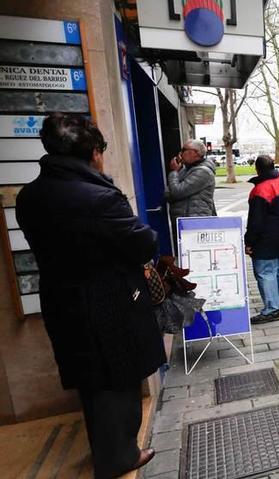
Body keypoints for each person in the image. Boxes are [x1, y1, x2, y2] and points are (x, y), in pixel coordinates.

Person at [16, 113, 164, 478]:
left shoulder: (30, 195)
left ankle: (110, 451)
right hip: (107, 302)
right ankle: (120, 458)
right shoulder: (97, 197)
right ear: (93, 152)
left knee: (92, 383)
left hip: (61, 299)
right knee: (117, 383)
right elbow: (141, 240)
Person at [245, 155, 279, 325]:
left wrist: (249, 242)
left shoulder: (259, 190)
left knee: (265, 272)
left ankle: (271, 309)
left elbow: (255, 221)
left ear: (258, 169)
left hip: (265, 239)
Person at [167, 139, 216, 245]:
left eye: (183, 150)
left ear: (194, 153)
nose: (180, 154)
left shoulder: (203, 172)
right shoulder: (187, 169)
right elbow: (168, 193)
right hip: (185, 223)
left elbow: (176, 192)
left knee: (196, 257)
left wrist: (173, 172)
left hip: (195, 224)